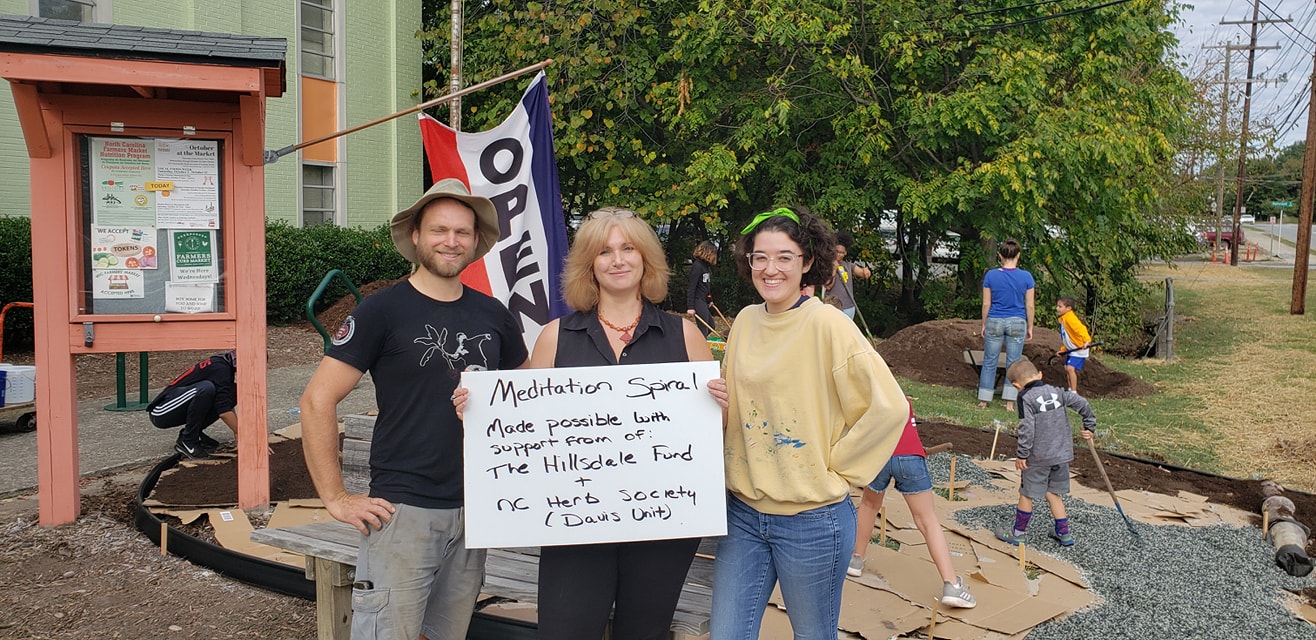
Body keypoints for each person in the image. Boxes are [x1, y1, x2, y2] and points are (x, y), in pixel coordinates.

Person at [299, 178, 528, 640]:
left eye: (462, 232)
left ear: (475, 242)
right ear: (417, 237)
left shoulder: (494, 314)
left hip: (475, 510)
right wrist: (336, 497)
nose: (451, 241)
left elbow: (526, 394)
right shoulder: (380, 312)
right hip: (403, 509)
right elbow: (316, 400)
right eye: (440, 230)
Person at [515, 207, 727, 640]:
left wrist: (721, 406)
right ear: (588, 265)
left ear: (646, 259)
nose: (617, 260)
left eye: (628, 248)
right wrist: (481, 412)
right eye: (604, 251)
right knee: (565, 631)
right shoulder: (555, 337)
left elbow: (712, 431)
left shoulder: (684, 335)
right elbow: (526, 427)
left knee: (643, 633)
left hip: (661, 521)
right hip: (575, 522)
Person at [712, 206, 910, 639]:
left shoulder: (828, 325)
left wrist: (838, 468)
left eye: (784, 256)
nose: (770, 268)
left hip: (812, 521)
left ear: (807, 262)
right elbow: (740, 408)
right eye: (759, 257)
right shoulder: (745, 322)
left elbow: (890, 407)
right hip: (743, 513)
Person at [849, 404, 976, 609]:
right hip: (910, 456)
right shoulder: (902, 398)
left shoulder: (869, 397)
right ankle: (952, 585)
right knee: (927, 520)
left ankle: (856, 559)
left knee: (869, 504)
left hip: (879, 457)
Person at [995, 359, 1096, 547]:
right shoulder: (1059, 392)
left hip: (1038, 458)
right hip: (1061, 455)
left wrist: (1022, 454)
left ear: (1016, 385)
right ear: (1040, 375)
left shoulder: (1025, 398)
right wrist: (1089, 425)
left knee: (1026, 494)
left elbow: (1027, 428)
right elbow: (1082, 403)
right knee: (1053, 492)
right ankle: (1064, 534)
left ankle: (1018, 534)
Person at [977, 238, 1035, 412]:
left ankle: (984, 400)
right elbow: (1030, 305)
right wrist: (1030, 326)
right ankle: (1010, 402)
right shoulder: (1026, 277)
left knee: (989, 361)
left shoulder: (991, 275)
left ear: (1000, 256)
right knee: (1013, 363)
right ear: (1018, 255)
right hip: (1017, 321)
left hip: (995, 320)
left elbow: (986, 303)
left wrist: (984, 323)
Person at [148, 350, 237, 459]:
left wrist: (237, 432)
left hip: (178, 405)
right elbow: (224, 412)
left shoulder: (224, 365)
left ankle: (194, 433)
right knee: (206, 389)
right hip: (161, 411)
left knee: (232, 392)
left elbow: (225, 403)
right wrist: (241, 435)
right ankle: (188, 440)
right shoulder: (221, 370)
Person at [825, 230, 872, 320]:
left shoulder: (848, 265)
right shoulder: (827, 266)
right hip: (833, 306)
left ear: (845, 253)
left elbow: (862, 273)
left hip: (849, 307)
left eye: (841, 252)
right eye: (837, 251)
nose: (838, 254)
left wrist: (866, 271)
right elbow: (828, 286)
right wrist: (834, 268)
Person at [1056, 296, 1093, 393]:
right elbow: (1066, 337)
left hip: (1079, 349)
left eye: (1060, 307)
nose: (1057, 309)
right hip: (1072, 349)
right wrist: (1063, 349)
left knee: (1070, 368)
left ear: (1068, 308)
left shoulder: (1070, 319)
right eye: (1057, 306)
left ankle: (1073, 391)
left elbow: (1082, 329)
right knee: (1066, 368)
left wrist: (1087, 341)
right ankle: (1070, 388)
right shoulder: (1064, 319)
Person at [686, 240, 718, 337]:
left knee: (711, 326)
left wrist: (710, 300)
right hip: (697, 301)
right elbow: (692, 287)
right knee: (703, 329)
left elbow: (705, 286)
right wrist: (690, 307)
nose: (714, 256)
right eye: (713, 253)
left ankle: (695, 342)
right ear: (707, 252)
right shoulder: (698, 266)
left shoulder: (706, 267)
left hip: (703, 300)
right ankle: (698, 348)